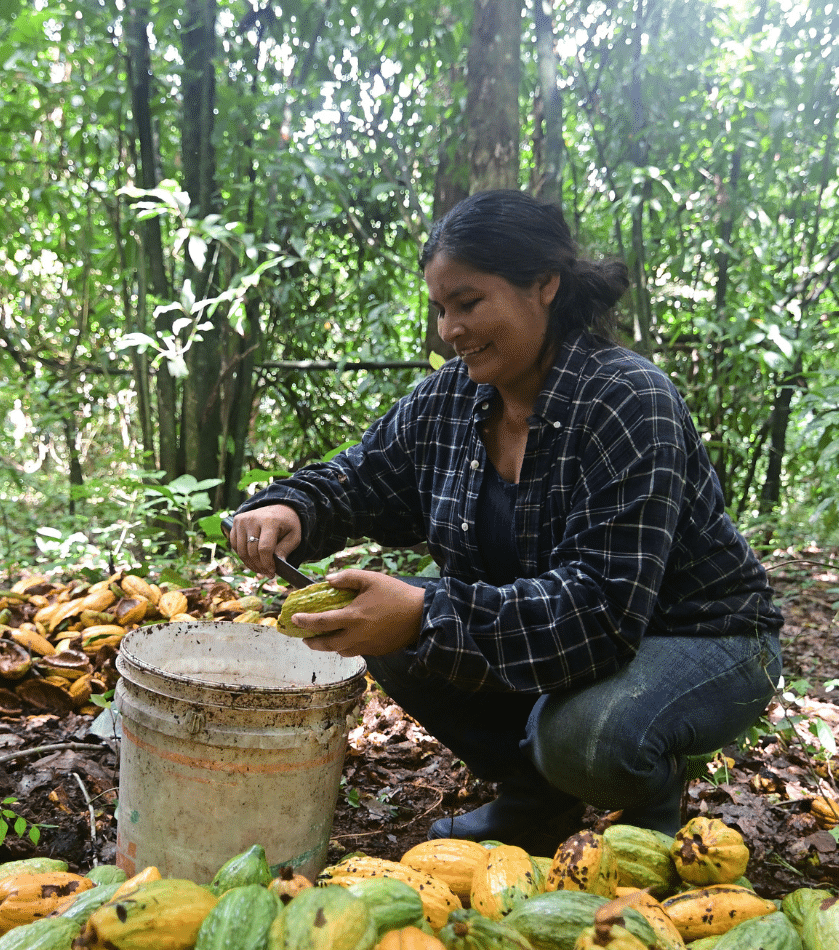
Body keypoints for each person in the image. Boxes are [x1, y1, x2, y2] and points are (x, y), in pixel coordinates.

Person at [230, 189, 782, 852]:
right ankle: (538, 803)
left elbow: (600, 614)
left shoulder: (628, 402)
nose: (449, 330)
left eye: (469, 303)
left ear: (544, 284)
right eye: (440, 308)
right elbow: (364, 477)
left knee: (585, 737)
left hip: (700, 638)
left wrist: (426, 611)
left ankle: (648, 806)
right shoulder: (451, 399)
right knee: (390, 627)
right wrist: (292, 507)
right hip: (573, 646)